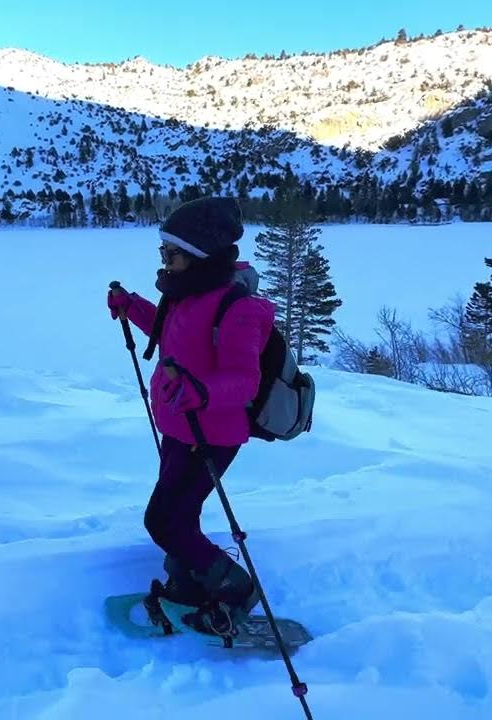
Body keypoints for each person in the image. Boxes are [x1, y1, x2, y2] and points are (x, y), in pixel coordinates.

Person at [107, 196, 276, 636]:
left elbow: (245, 381)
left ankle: (237, 589)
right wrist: (131, 305)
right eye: (162, 252)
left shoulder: (238, 308)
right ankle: (188, 582)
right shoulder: (185, 294)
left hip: (214, 433)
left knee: (164, 520)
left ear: (199, 254)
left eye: (171, 253)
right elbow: (168, 331)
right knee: (178, 514)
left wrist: (201, 391)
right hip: (178, 428)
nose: (164, 261)